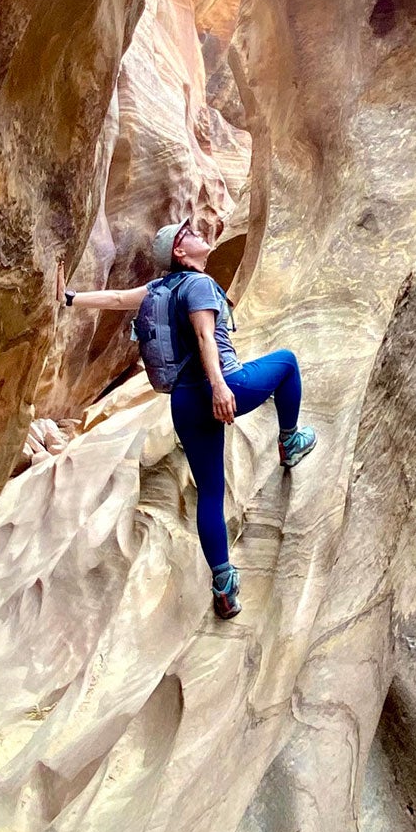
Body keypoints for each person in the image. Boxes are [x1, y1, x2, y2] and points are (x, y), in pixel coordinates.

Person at [61, 219, 316, 618]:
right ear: (181, 252)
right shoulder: (197, 285)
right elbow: (204, 337)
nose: (199, 234)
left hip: (182, 400)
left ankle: (224, 586)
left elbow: (114, 299)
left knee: (211, 493)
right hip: (220, 386)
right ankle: (289, 441)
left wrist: (70, 297)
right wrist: (219, 386)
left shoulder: (157, 291)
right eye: (190, 234)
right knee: (286, 363)